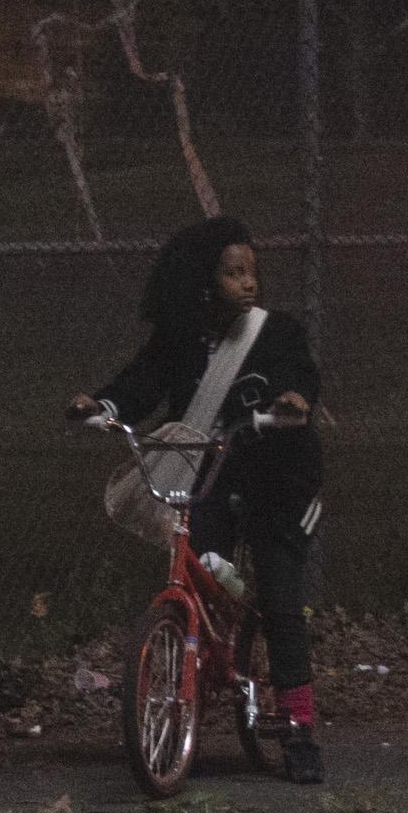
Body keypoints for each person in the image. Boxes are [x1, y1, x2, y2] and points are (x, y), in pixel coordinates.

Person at [70, 212, 328, 783]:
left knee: (283, 601)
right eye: (233, 273)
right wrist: (102, 407)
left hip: (279, 480)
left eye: (251, 272)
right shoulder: (181, 339)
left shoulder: (276, 332)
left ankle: (299, 728)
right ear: (204, 281)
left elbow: (299, 376)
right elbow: (140, 384)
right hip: (213, 477)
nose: (248, 283)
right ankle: (200, 672)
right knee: (206, 572)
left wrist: (291, 402)